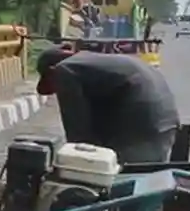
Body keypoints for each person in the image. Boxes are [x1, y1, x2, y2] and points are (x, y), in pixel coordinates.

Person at [35, 47, 181, 164]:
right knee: (147, 180)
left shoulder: (65, 69)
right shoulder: (94, 64)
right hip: (166, 123)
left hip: (140, 126)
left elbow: (78, 132)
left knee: (118, 184)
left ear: (51, 71)